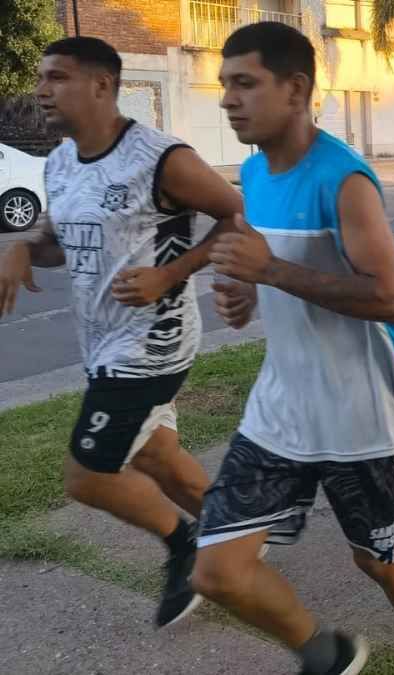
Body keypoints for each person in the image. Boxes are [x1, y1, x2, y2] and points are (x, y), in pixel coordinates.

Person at [193, 22, 394, 674]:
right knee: (216, 570)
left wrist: (269, 272)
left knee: (374, 556)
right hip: (280, 408)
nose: (228, 99)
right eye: (225, 85)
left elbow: (390, 298)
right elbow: (269, 262)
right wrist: (248, 291)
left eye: (245, 83)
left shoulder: (344, 180)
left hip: (363, 416)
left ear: (296, 89)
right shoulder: (253, 172)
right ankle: (328, 654)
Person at [0, 37, 241, 628]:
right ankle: (236, 535)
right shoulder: (60, 163)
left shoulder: (159, 158)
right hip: (102, 343)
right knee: (157, 457)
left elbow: (237, 215)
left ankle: (185, 545)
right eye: (42, 77)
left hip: (153, 341)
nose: (41, 90)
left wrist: (171, 273)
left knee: (87, 475)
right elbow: (60, 239)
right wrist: (24, 247)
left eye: (57, 77)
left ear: (102, 85)